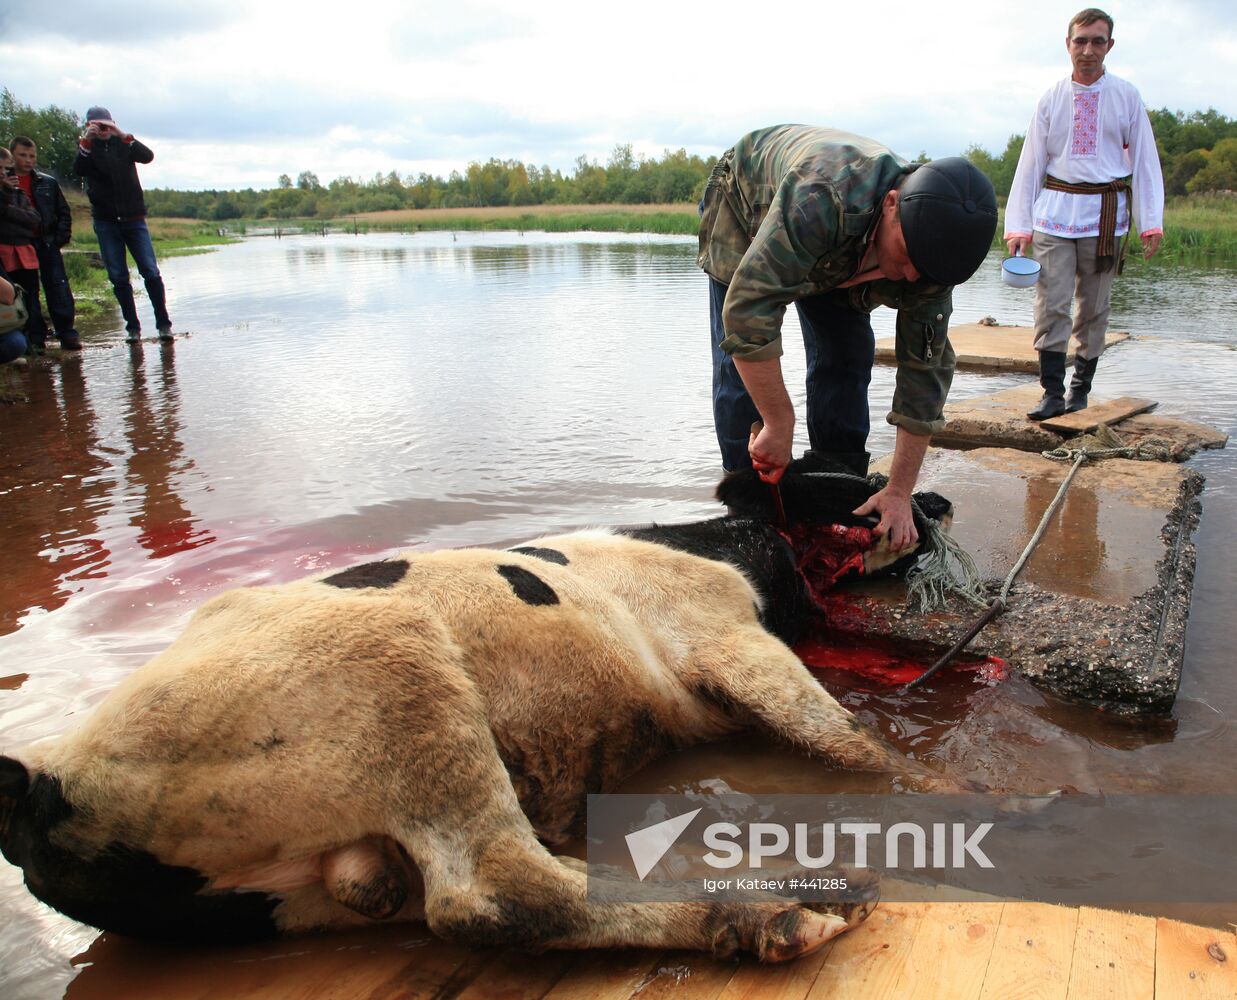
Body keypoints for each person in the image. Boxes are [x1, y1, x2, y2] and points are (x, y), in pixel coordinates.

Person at [699, 125, 997, 549]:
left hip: (845, 246)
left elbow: (924, 378)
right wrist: (779, 420)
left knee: (847, 353)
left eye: (925, 271)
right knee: (739, 371)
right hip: (746, 201)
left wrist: (898, 490)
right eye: (909, 258)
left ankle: (837, 482)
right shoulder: (822, 200)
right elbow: (749, 315)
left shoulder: (931, 259)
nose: (912, 277)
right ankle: (749, 507)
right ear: (892, 205)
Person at [1004, 8, 1164, 420]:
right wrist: (1018, 226)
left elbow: (1145, 160)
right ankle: (1052, 394)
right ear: (1068, 44)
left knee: (1094, 306)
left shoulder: (1126, 96)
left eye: (1097, 41)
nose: (1088, 50)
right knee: (1051, 303)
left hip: (1105, 217)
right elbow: (1031, 164)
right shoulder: (1051, 98)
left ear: (1109, 46)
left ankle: (1080, 391)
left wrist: (1151, 221)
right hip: (1054, 214)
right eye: (1081, 41)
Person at [73, 106, 173, 343]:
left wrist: (122, 134)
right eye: (97, 125)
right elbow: (78, 169)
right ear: (89, 126)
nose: (103, 129)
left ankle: (164, 325)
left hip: (134, 219)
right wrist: (87, 141)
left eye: (106, 124)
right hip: (106, 221)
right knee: (118, 276)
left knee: (150, 271)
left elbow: (147, 156)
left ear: (113, 124)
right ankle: (133, 328)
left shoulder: (125, 145)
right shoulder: (87, 149)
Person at [10, 137, 81, 351]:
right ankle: (35, 337)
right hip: (21, 243)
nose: (28, 160)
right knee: (28, 291)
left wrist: (60, 238)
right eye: (23, 155)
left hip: (47, 240)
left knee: (58, 286)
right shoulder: (5, 183)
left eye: (32, 156)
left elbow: (63, 212)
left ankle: (67, 334)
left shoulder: (47, 182)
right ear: (12, 154)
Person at [0, 146, 46, 354]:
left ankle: (32, 342)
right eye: (1, 169)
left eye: (5, 169)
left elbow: (34, 220)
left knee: (28, 296)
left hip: (23, 250)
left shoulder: (17, 193)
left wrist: (9, 207)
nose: (3, 173)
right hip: (4, 250)